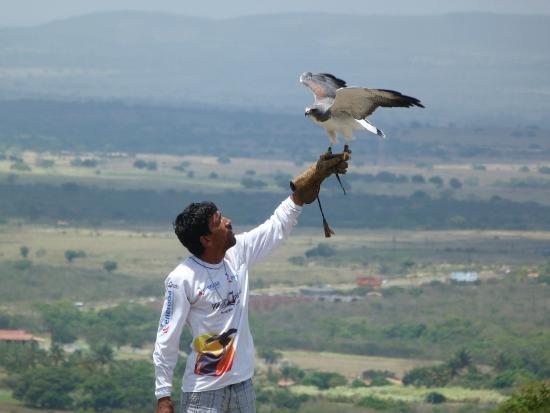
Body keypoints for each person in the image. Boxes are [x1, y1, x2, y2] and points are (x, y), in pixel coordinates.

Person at [153, 152, 349, 413]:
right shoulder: (181, 280)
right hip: (204, 391)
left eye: (222, 215)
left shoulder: (238, 253)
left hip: (243, 385)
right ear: (206, 240)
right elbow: (167, 340)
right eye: (218, 222)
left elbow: (275, 227)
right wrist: (163, 396)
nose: (227, 222)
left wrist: (301, 195)